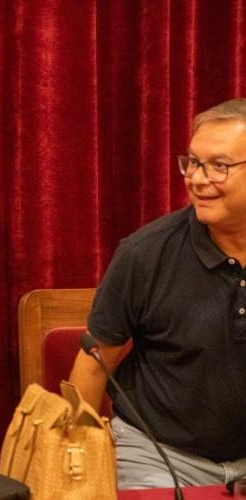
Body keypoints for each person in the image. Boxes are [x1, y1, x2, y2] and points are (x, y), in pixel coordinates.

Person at [69, 98, 246, 489]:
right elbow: (95, 363)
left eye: (219, 166)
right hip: (160, 457)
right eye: (193, 162)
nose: (197, 178)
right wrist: (77, 460)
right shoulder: (145, 254)